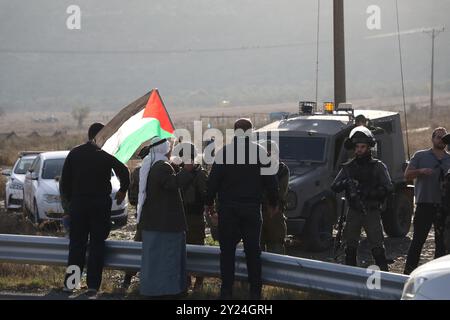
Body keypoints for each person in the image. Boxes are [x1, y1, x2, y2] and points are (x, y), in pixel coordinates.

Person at [205, 118, 279, 300]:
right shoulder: (260, 152)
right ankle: (255, 292)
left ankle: (226, 292)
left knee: (227, 253)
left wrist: (209, 204)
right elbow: (272, 183)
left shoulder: (224, 153)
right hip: (251, 210)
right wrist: (273, 204)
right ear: (251, 132)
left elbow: (212, 182)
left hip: (228, 210)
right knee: (253, 252)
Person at [60, 122, 130, 297]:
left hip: (78, 206)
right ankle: (92, 286)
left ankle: (71, 284)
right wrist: (122, 190)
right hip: (100, 206)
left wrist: (67, 207)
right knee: (97, 246)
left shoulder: (75, 153)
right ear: (101, 136)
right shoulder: (106, 153)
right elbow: (124, 172)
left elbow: (64, 184)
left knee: (77, 246)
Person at [331, 126, 393, 271]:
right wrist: (347, 183)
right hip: (353, 211)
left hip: (371, 211)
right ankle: (351, 278)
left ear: (369, 148)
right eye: (357, 147)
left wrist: (371, 192)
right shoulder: (349, 167)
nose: (359, 150)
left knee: (377, 247)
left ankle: (384, 277)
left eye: (363, 147)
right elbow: (334, 186)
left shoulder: (377, 166)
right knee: (350, 247)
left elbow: (389, 187)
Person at [138, 136, 194, 298]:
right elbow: (172, 184)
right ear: (164, 149)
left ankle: (154, 289)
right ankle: (167, 291)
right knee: (168, 259)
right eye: (170, 147)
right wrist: (187, 170)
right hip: (165, 223)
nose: (171, 150)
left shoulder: (153, 164)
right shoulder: (161, 166)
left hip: (154, 223)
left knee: (154, 261)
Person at [403, 127, 450, 274]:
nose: (441, 140)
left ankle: (438, 275)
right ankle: (408, 273)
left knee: (442, 244)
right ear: (432, 138)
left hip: (444, 207)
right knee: (418, 241)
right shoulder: (421, 156)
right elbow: (407, 175)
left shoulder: (449, 158)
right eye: (438, 137)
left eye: (444, 138)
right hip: (425, 204)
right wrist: (420, 171)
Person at [175, 142, 209, 291]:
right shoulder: (179, 174)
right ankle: (187, 280)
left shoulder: (200, 175)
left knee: (198, 249)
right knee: (183, 250)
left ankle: (199, 282)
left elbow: (206, 196)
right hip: (182, 217)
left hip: (195, 217)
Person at [121, 146, 149, 290]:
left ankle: (127, 280)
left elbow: (132, 198)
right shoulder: (163, 168)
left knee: (138, 248)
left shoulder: (137, 172)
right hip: (154, 216)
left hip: (142, 216)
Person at [260, 140, 290, 254]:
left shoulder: (281, 169)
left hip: (274, 212)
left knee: (276, 246)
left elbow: (281, 193)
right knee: (257, 247)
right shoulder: (257, 167)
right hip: (259, 211)